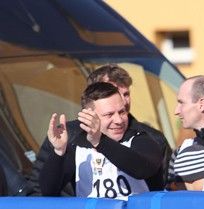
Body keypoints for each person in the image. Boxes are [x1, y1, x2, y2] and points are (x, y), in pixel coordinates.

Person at [33, 64, 171, 194]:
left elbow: (142, 169)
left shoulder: (143, 137)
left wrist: (100, 141)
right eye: (109, 114)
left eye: (121, 112)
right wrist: (58, 153)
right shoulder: (72, 140)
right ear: (89, 114)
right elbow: (47, 190)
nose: (118, 120)